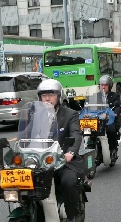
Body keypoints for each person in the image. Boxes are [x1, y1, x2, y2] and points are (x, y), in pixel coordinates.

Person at [37, 79, 83, 222]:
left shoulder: (70, 114)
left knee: (68, 182)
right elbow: (27, 133)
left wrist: (70, 152)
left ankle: (73, 215)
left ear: (58, 96)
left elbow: (76, 133)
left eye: (51, 94)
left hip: (62, 160)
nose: (47, 98)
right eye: (44, 95)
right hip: (40, 160)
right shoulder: (36, 114)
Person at [98, 75, 121, 162]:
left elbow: (118, 106)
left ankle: (112, 149)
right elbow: (89, 106)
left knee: (111, 129)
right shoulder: (95, 96)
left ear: (110, 86)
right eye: (101, 85)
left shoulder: (114, 96)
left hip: (109, 120)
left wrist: (115, 113)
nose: (103, 87)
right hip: (97, 120)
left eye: (105, 85)